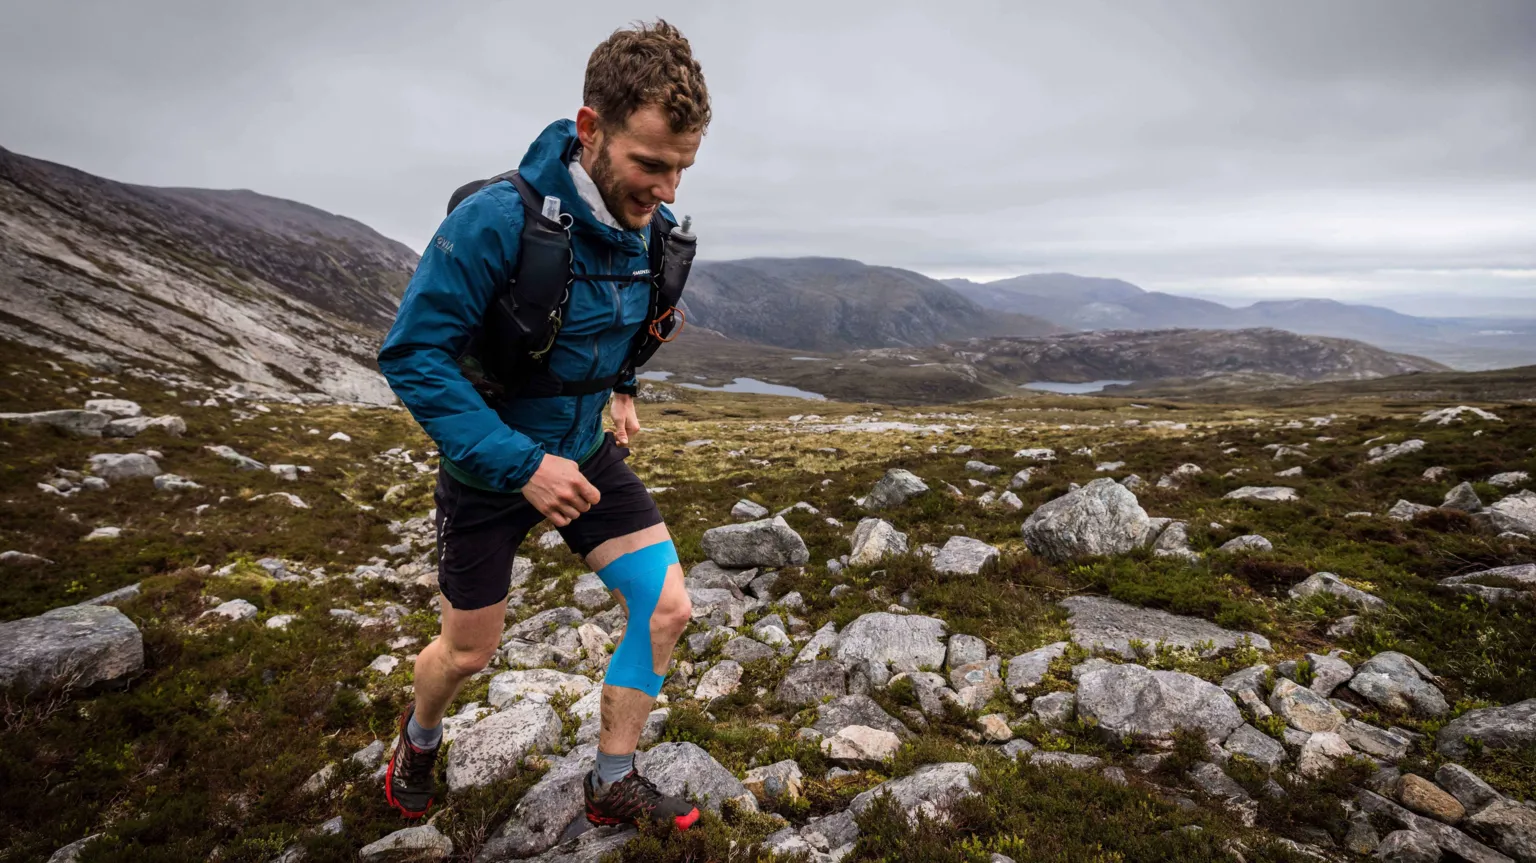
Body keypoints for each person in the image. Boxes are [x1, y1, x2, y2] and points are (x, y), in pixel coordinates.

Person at [374, 19, 708, 830]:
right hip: (490, 472)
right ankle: (418, 739)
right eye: (651, 164)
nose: (667, 191)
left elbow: (631, 324)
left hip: (585, 454)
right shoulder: (494, 221)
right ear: (590, 129)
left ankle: (611, 782)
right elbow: (413, 357)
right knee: (468, 652)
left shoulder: (651, 233)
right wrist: (523, 464)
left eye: (683, 170)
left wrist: (622, 385)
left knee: (668, 607)